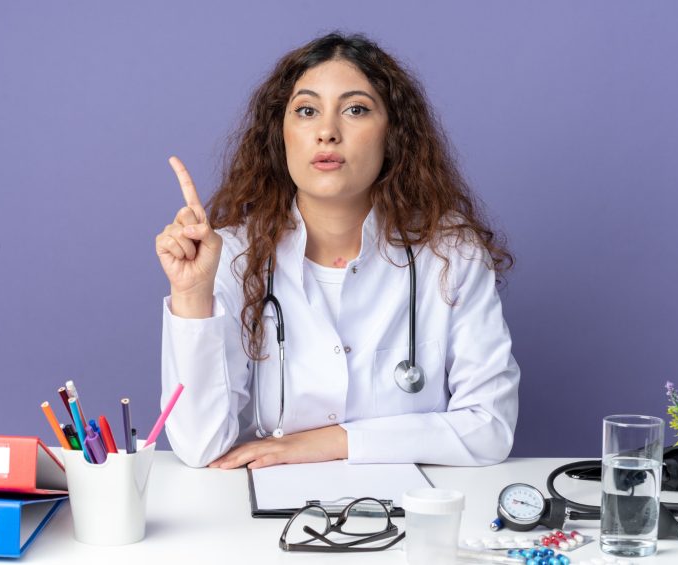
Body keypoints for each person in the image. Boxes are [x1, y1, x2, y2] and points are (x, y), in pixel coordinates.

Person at [155, 32, 519, 470]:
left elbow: (490, 427)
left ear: (394, 135)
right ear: (281, 134)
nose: (327, 132)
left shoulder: (450, 252)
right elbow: (199, 447)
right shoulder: (232, 253)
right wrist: (192, 295)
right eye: (306, 111)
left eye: (356, 110)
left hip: (412, 513)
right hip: (266, 523)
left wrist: (331, 442)